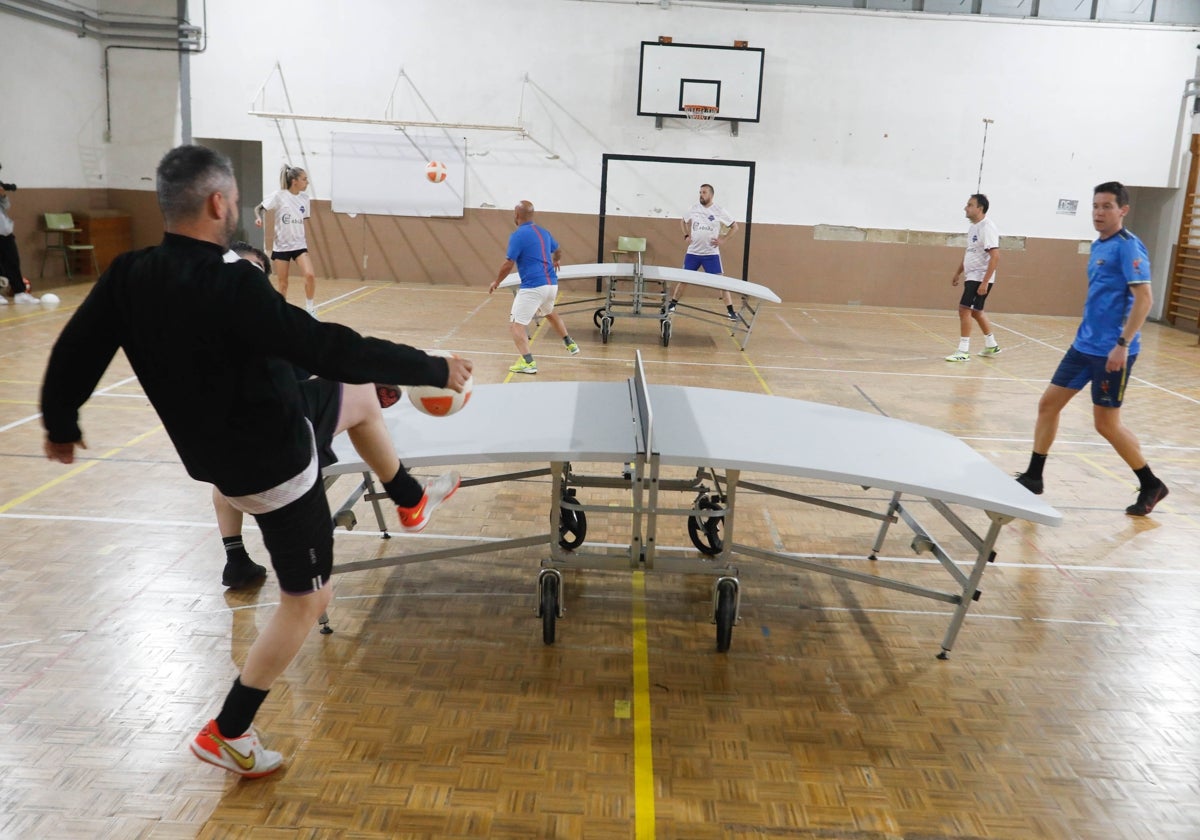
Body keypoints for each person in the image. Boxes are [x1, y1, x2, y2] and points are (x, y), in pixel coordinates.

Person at [40, 144, 474, 778]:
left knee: (355, 399)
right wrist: (431, 366)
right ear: (219, 203)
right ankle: (229, 730)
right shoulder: (231, 278)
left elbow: (76, 349)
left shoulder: (129, 274)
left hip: (223, 453)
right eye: (235, 202)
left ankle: (408, 497)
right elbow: (322, 343)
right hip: (275, 469)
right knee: (308, 600)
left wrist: (60, 420)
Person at [1015, 181, 1168, 517]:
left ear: (1123, 210)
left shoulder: (1129, 248)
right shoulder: (1099, 245)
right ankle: (1034, 475)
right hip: (1083, 346)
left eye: (1107, 207)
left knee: (1106, 424)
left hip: (1112, 351)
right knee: (1048, 405)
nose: (1099, 213)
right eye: (1096, 206)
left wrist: (1122, 345)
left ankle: (1151, 483)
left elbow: (1145, 299)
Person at [487, 200, 579, 375]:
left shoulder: (518, 236)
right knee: (549, 312)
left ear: (516, 215)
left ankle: (528, 362)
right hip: (551, 285)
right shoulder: (544, 233)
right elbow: (558, 250)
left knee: (516, 325)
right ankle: (569, 342)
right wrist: (556, 260)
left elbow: (508, 263)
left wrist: (497, 282)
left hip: (533, 287)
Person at [666, 183, 740, 321]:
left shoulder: (719, 210)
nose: (701, 195)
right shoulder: (693, 208)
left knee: (721, 283)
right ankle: (672, 305)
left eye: (704, 192)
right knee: (683, 280)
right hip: (693, 253)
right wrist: (686, 235)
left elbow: (735, 227)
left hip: (710, 254)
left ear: (711, 195)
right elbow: (683, 221)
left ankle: (731, 311)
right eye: (700, 192)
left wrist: (723, 240)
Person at [255, 164, 318, 317]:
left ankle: (310, 309)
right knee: (283, 285)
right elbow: (259, 208)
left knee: (310, 275)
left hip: (299, 245)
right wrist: (258, 218)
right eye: (304, 179)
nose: (307, 182)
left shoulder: (304, 198)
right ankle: (280, 315)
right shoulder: (279, 195)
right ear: (294, 181)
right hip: (281, 247)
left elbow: (300, 220)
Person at [945, 193, 1001, 361]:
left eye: (970, 205)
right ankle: (992, 345)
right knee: (976, 312)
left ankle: (963, 352)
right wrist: (958, 272)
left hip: (979, 277)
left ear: (980, 208)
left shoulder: (987, 227)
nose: (966, 208)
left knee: (964, 309)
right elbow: (970, 253)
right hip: (972, 276)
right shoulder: (973, 228)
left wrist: (984, 282)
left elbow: (995, 256)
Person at [0, 178, 38, 305]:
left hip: (5, 232)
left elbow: (6, 207)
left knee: (12, 262)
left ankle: (20, 293)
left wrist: (3, 195)